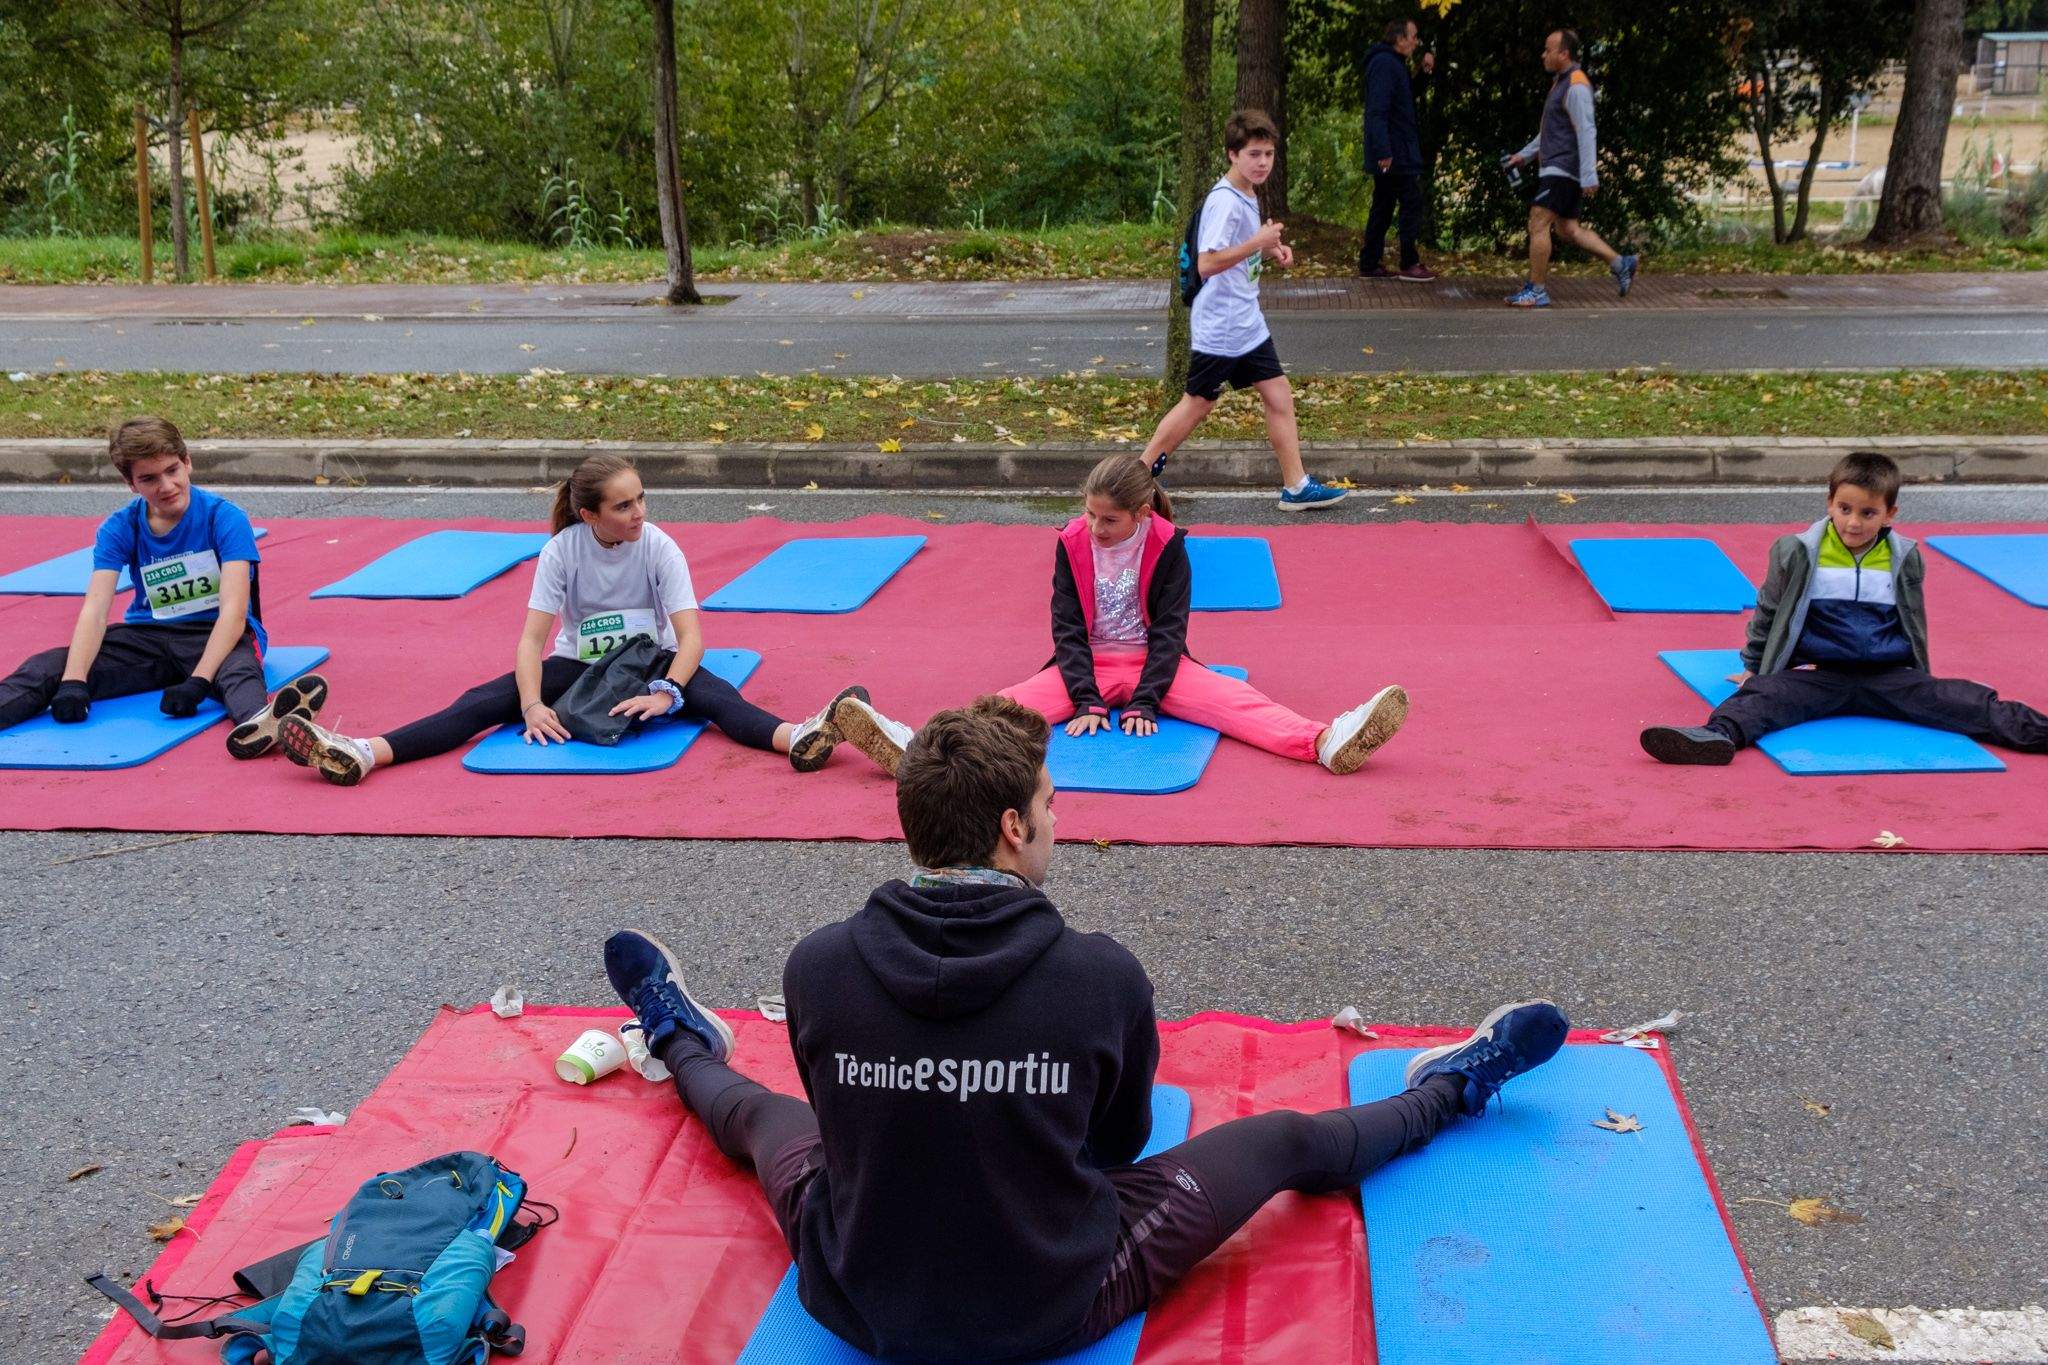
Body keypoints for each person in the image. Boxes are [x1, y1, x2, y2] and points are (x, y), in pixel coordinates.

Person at [602, 695, 1569, 1362]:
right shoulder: (1098, 975)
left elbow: (845, 1125)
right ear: (1013, 827)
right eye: (1052, 806)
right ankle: (1455, 1086)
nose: (1059, 823)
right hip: (1050, 1300)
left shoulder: (817, 963)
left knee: (757, 1117)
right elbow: (1117, 1147)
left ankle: (675, 1034)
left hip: (853, 1287)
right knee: (1281, 1140)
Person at [277, 453, 861, 785]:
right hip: (578, 665)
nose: (639, 512)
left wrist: (666, 692)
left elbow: (690, 639)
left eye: (641, 498)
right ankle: (362, 752)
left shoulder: (659, 546)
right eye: (623, 505)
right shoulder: (561, 551)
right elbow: (530, 642)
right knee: (480, 703)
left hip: (650, 662)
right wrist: (533, 705)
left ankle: (801, 736)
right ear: (589, 514)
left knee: (718, 698)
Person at [826, 454, 1408, 778]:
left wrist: (1147, 701)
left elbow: (1172, 630)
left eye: (1108, 520)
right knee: (999, 712)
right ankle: (916, 747)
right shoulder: (1071, 542)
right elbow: (1066, 628)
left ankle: (1325, 741)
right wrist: (1086, 699)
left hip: (1158, 666)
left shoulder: (1169, 545)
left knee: (1241, 703)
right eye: (1089, 515)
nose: (1095, 528)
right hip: (1085, 666)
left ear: (1141, 513)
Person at [1641, 451, 2048, 765]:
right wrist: (1753, 666)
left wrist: (1919, 674)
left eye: (1868, 513)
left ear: (1889, 514)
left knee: (1967, 701)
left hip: (1889, 678)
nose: (1854, 522)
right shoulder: (1797, 551)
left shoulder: (1905, 558)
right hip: (1821, 675)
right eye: (1845, 509)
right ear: (1830, 504)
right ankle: (1714, 737)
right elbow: (1769, 609)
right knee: (1762, 696)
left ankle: (2038, 732)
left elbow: (1913, 619)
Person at [0, 415, 326, 758]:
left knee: (239, 674)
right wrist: (73, 681)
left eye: (172, 470)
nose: (167, 485)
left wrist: (198, 682)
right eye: (149, 479)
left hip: (216, 634)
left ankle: (266, 726)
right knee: (46, 666)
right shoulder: (119, 527)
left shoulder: (225, 518)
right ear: (131, 484)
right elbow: (95, 610)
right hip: (148, 639)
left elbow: (233, 612)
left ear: (187, 462)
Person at [1144, 110, 1350, 512]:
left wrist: (1270, 249)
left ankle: (1296, 486)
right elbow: (1207, 262)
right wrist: (1258, 242)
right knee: (1197, 403)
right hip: (1222, 324)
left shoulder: (1246, 193)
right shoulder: (1225, 201)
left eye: (1268, 154)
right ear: (1233, 154)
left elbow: (1239, 250)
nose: (1262, 163)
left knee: (1278, 394)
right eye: (1254, 154)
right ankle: (1134, 478)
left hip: (1246, 321)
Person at [1504, 29, 1638, 309]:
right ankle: (1620, 263)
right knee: (1568, 230)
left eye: (1548, 49)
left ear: (1564, 54)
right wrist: (1524, 156)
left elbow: (1586, 130)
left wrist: (1589, 174)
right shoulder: (1561, 83)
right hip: (1560, 168)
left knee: (1538, 221)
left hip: (1562, 168)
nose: (1543, 54)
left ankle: (1537, 291)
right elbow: (1551, 132)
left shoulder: (1576, 85)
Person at [1359, 17, 1435, 282]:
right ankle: (1409, 262)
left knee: (1384, 203)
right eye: (1413, 36)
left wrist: (1423, 73)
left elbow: (1406, 96)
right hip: (1394, 151)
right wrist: (1383, 151)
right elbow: (1377, 111)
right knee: (1410, 200)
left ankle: (1370, 262)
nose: (1416, 42)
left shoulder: (1394, 64)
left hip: (1395, 148)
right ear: (1400, 38)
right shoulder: (1384, 64)